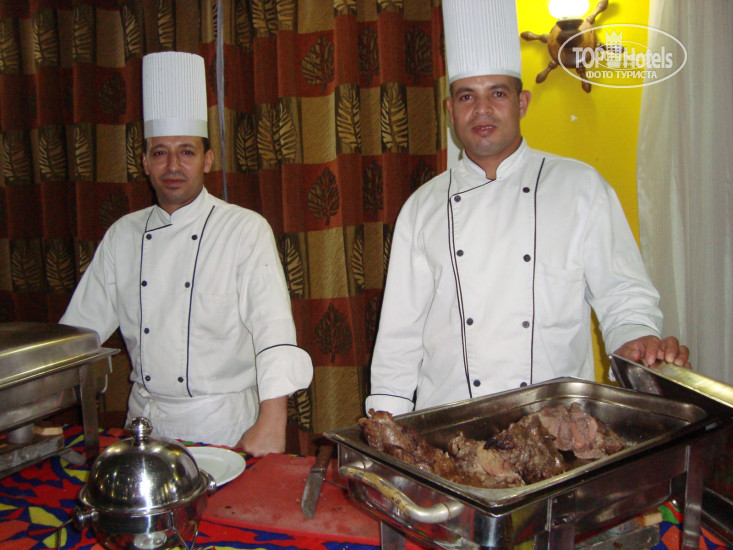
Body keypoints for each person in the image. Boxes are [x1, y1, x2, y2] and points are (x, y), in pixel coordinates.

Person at [365, 0, 688, 416]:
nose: (482, 109)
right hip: (449, 428)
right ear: (451, 111)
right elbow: (399, 336)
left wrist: (636, 337)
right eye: (466, 96)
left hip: (558, 426)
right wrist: (385, 423)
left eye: (497, 93)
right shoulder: (421, 207)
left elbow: (623, 294)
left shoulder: (579, 187)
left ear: (522, 103)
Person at [61, 52, 313, 456]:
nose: (173, 166)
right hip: (143, 428)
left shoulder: (244, 229)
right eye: (160, 152)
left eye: (187, 152)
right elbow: (78, 334)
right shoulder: (123, 235)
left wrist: (272, 420)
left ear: (208, 160)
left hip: (223, 428)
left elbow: (274, 331)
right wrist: (34, 406)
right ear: (145, 163)